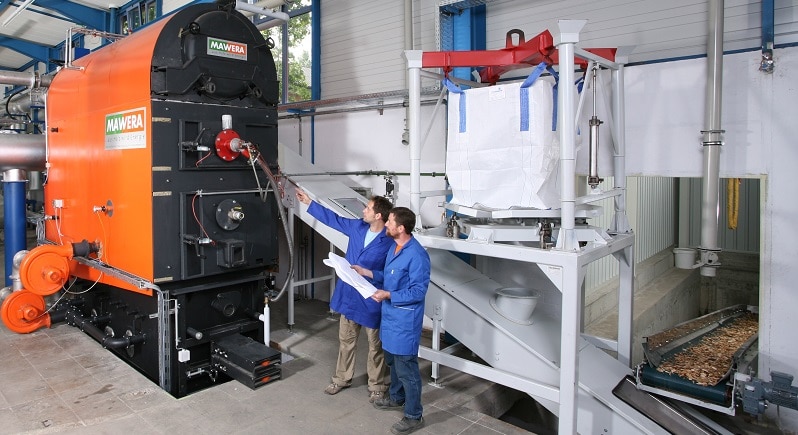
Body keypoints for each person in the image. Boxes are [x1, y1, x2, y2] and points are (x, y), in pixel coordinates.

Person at [295, 189, 394, 402]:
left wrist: (370, 273)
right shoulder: (358, 226)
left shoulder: (389, 241)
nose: (363, 210)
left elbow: (393, 273)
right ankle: (341, 379)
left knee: (376, 346)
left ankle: (377, 384)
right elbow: (334, 220)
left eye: (368, 208)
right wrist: (309, 202)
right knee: (346, 340)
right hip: (349, 295)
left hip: (371, 298)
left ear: (379, 216)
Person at [352, 207, 431, 435]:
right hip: (389, 318)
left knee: (407, 369)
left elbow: (418, 291)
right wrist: (367, 273)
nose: (386, 225)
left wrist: (389, 295)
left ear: (401, 228)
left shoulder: (416, 255)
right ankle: (396, 398)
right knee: (393, 363)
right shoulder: (395, 248)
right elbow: (388, 277)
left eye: (390, 223)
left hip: (405, 321)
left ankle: (414, 415)